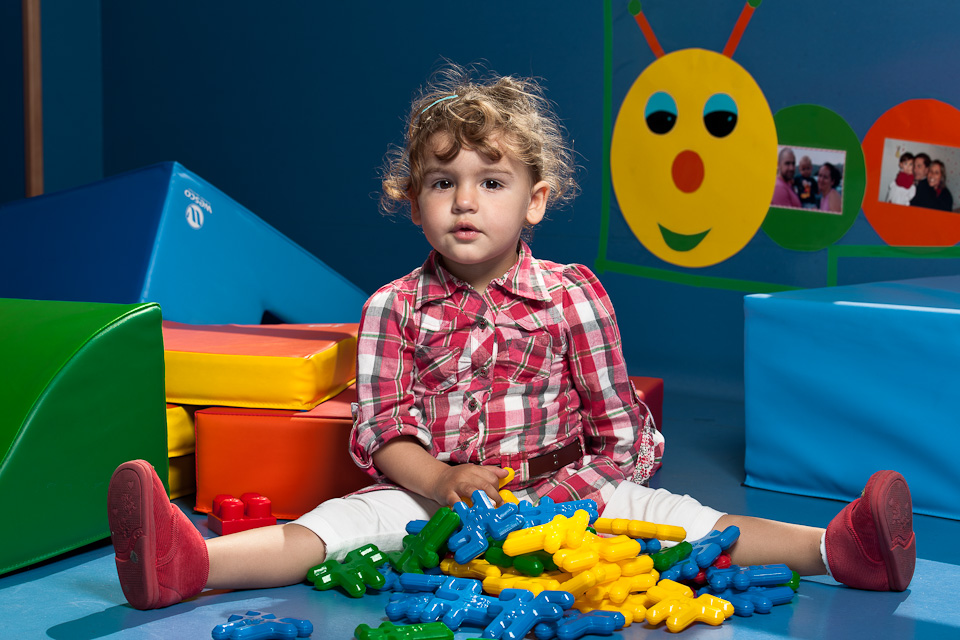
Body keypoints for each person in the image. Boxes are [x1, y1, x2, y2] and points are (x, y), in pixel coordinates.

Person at [106, 65, 917, 611]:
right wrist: (441, 482)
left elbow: (622, 435)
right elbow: (383, 428)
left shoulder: (573, 298)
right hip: (438, 495)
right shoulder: (393, 306)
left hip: (572, 494)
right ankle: (193, 565)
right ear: (411, 199)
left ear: (534, 200)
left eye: (491, 183)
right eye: (441, 183)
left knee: (689, 520)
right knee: (337, 525)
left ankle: (838, 547)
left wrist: (559, 503)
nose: (465, 202)